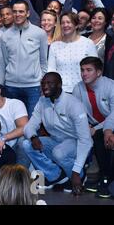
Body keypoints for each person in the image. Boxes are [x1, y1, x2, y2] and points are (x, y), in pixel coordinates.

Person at [23, 72, 93, 195]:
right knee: (27, 144)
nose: (45, 86)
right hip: (55, 140)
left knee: (58, 153)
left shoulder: (74, 104)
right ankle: (55, 176)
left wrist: (75, 172)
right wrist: (33, 137)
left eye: (49, 83)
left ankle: (80, 176)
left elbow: (85, 140)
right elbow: (30, 126)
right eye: (43, 83)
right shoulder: (42, 101)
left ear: (59, 85)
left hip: (75, 142)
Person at [72, 57, 114, 198]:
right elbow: (77, 114)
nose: (84, 73)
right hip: (92, 125)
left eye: (89, 70)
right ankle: (97, 177)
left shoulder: (110, 86)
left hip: (110, 123)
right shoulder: (78, 88)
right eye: (82, 70)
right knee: (90, 135)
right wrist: (86, 126)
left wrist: (100, 128)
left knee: (101, 136)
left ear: (99, 72)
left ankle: (106, 178)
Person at [0, 0, 48, 117]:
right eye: (15, 12)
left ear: (28, 13)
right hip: (11, 86)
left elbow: (43, 61)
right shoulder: (5, 36)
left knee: (32, 122)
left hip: (33, 86)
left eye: (21, 11)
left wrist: (42, 82)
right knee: (13, 122)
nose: (17, 14)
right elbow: (4, 62)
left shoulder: (40, 33)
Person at [48, 12, 97, 93]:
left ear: (76, 25)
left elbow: (95, 68)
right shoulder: (54, 46)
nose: (65, 25)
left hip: (83, 90)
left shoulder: (88, 43)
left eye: (68, 22)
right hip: (61, 92)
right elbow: (51, 70)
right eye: (63, 23)